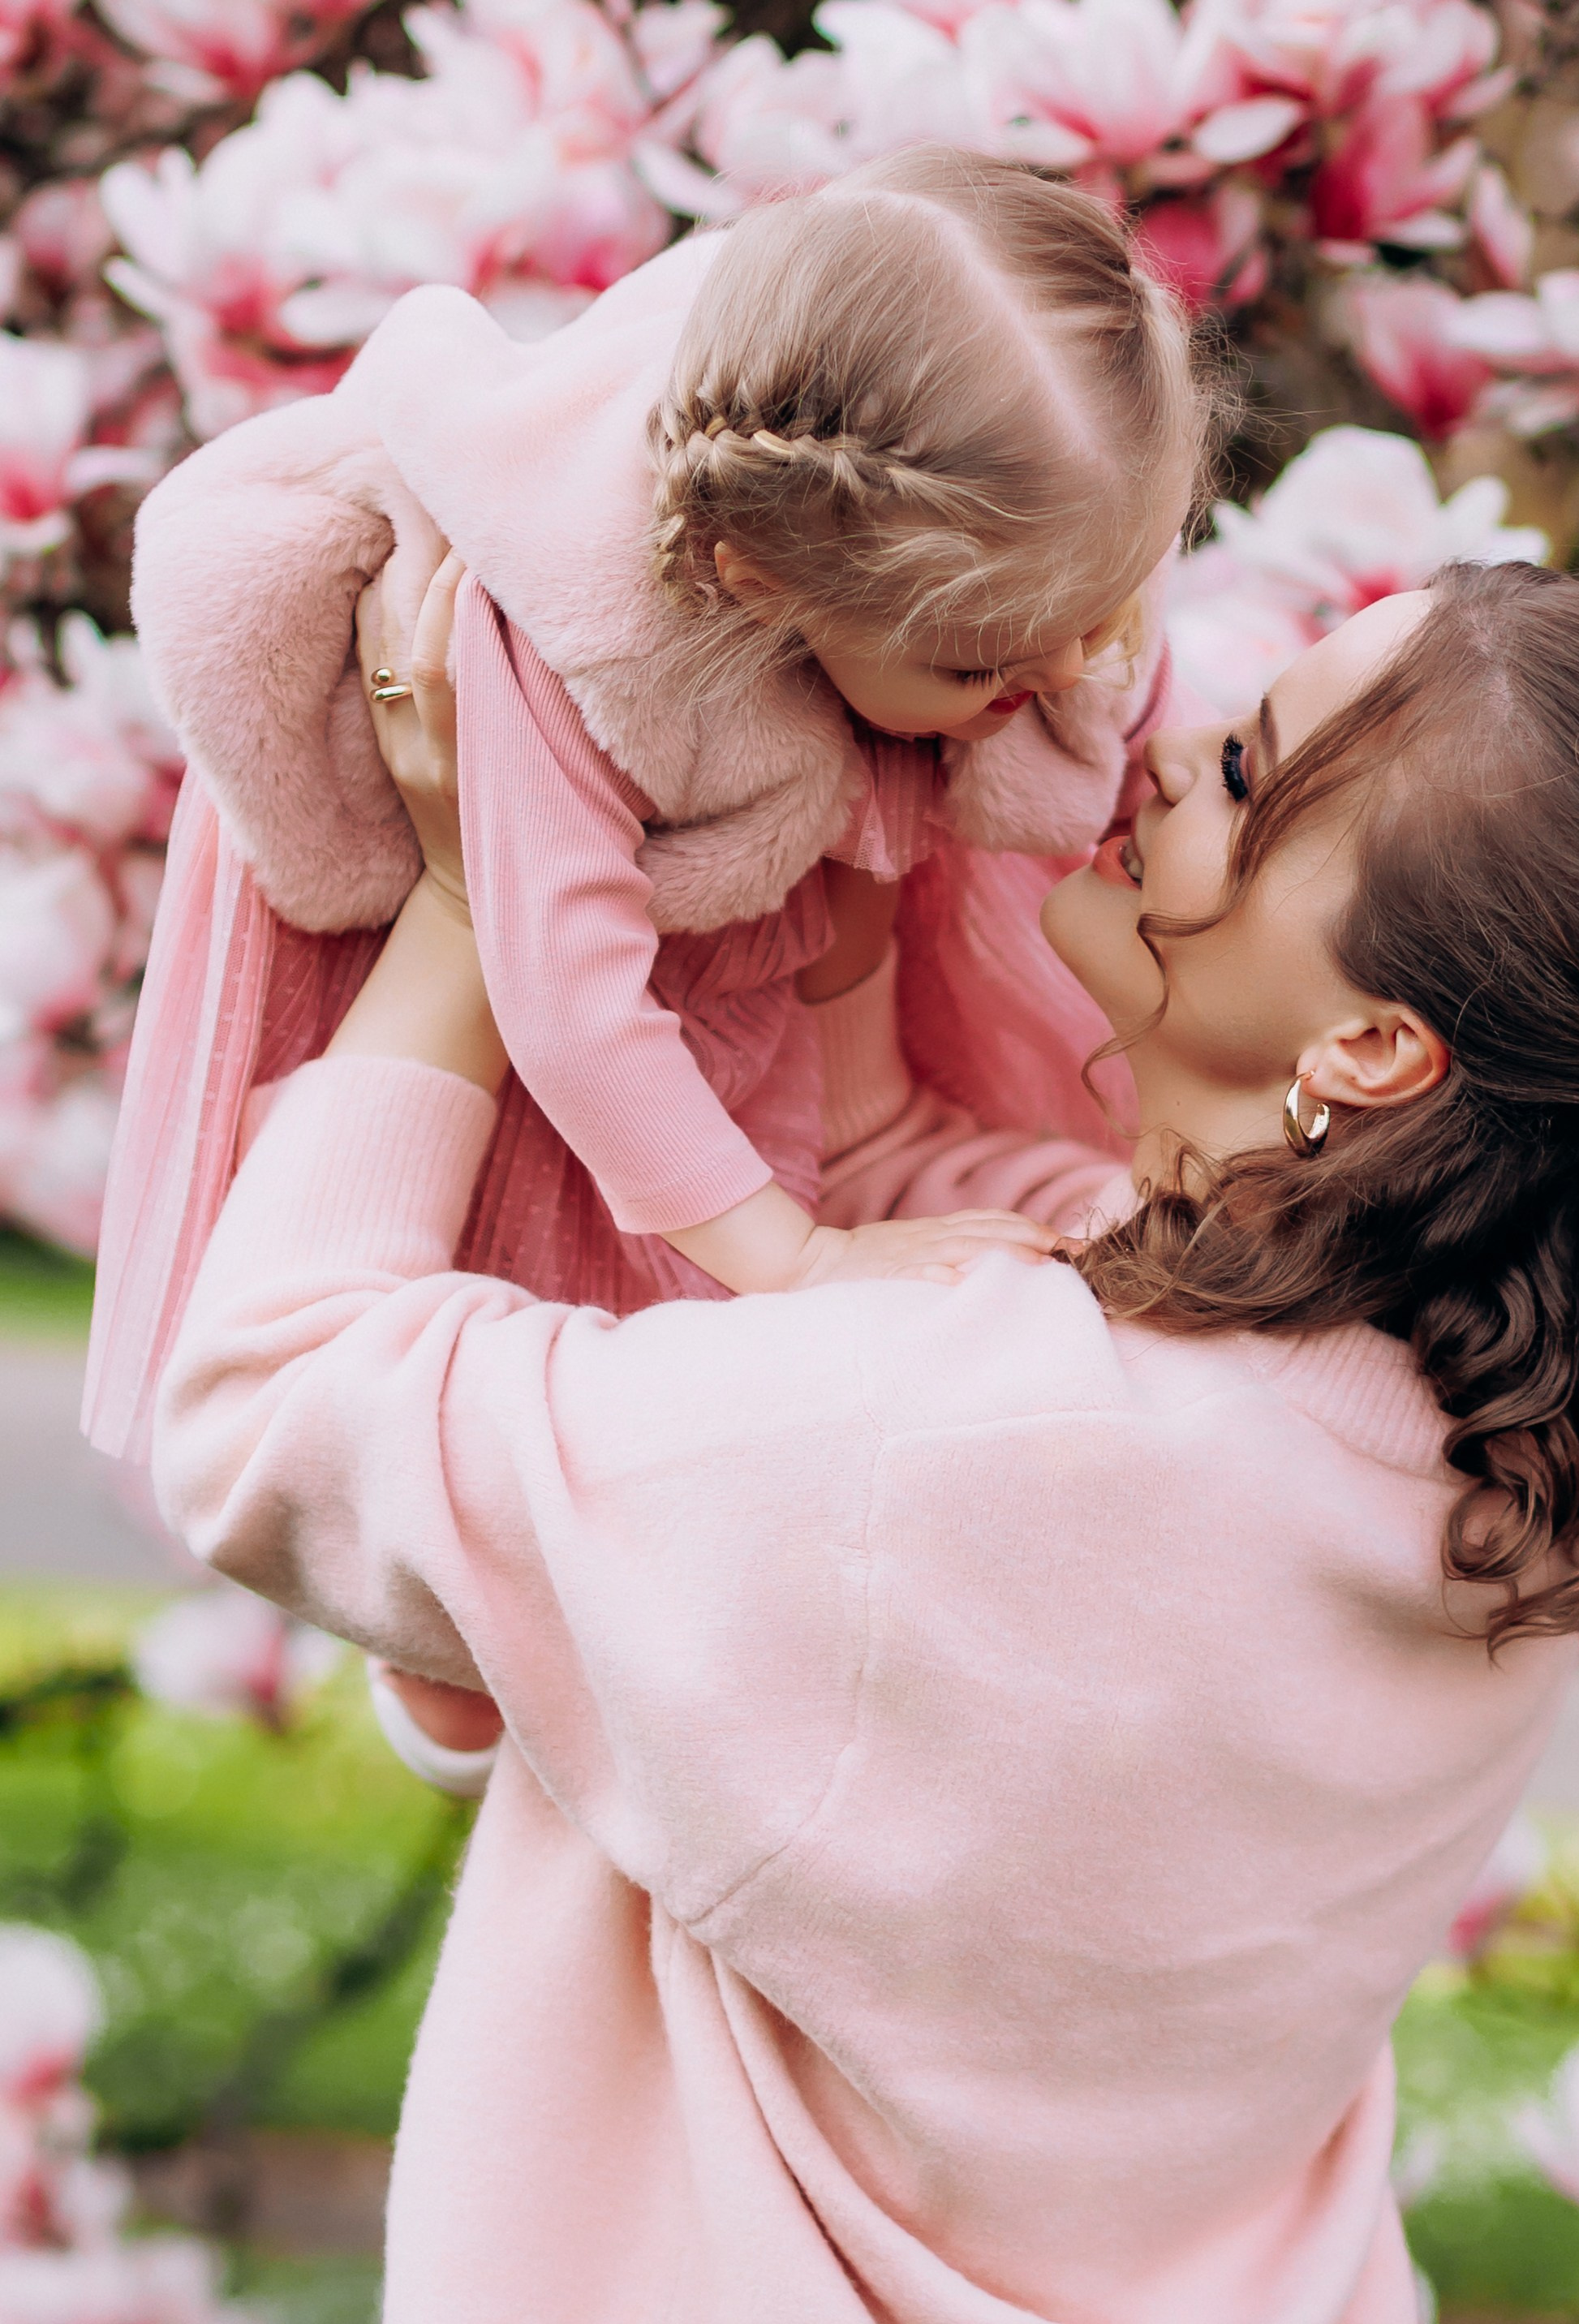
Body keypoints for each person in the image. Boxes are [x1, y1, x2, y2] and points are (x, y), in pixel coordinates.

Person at [153, 560, 1579, 2324]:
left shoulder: (958, 1450)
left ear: (1371, 1048)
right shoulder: (1492, 1474)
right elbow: (924, 1218)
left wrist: (475, 894)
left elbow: (269, 1397)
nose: (1173, 745)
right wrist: (848, 885)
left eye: (1249, 774)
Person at [87, 147, 1214, 1779]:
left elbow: (1015, 697)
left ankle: (582, 1620)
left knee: (761, 1158)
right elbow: (567, 1001)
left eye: (1092, 617)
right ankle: (469, 1615)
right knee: (600, 1238)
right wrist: (795, 1263)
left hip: (763, 931)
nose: (1049, 676)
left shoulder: (988, 494)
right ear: (760, 575)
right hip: (552, 986)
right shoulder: (574, 625)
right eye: (979, 655)